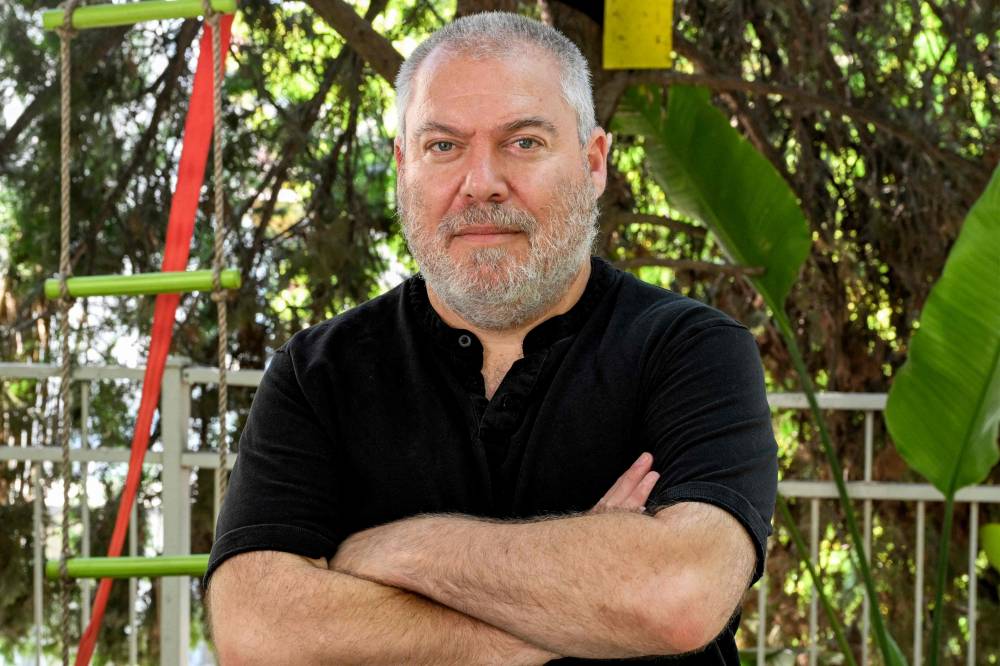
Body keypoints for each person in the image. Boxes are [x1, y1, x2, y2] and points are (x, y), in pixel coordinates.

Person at [206, 11, 777, 665]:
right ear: (402, 167)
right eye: (443, 146)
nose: (481, 182)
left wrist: (400, 552)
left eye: (524, 142)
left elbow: (679, 596)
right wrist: (568, 611)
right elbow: (258, 631)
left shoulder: (690, 350)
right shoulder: (318, 373)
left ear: (593, 163)